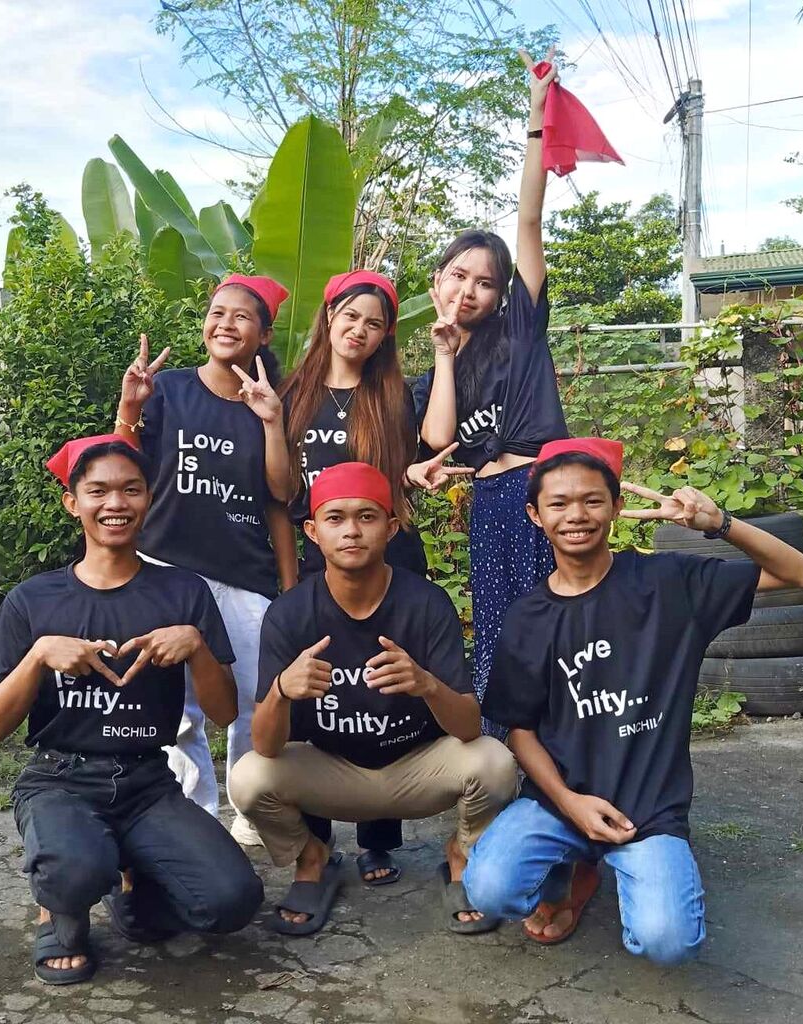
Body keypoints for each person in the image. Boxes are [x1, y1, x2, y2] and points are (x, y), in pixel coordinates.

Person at [463, 438, 803, 963]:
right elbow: (521, 730)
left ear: (615, 507)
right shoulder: (527, 617)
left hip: (647, 812)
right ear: (535, 515)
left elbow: (801, 573)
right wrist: (569, 802)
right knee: (489, 890)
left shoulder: (667, 583)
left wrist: (720, 524)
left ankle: (610, 867)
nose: (576, 515)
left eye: (592, 500)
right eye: (559, 503)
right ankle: (564, 872)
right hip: (558, 803)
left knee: (667, 941)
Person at [0, 435, 263, 986]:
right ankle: (58, 909)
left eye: (131, 490)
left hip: (147, 783)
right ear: (72, 502)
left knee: (231, 901)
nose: (115, 503)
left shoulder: (183, 592)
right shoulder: (33, 599)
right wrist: (38, 656)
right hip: (60, 778)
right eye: (98, 491)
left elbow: (225, 712)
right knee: (74, 872)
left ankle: (129, 879)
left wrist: (197, 646)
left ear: (149, 498)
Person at [228, 462, 518, 936]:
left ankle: (462, 855)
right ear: (313, 532)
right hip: (332, 771)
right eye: (335, 518)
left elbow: (469, 727)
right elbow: (265, 745)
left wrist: (427, 684)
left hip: (416, 768)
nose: (351, 531)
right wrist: (281, 690)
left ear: (391, 526)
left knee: (495, 762)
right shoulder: (290, 614)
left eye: (366, 516)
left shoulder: (426, 603)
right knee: (249, 777)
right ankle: (311, 859)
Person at [277, 269, 472, 885]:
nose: (359, 330)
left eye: (375, 323)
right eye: (350, 316)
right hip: (320, 560)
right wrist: (289, 575)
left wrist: (443, 355)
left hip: (392, 556)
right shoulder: (291, 395)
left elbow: (433, 443)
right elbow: (279, 493)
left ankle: (379, 840)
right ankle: (315, 837)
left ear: (387, 335)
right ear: (329, 316)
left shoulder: (392, 395)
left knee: (385, 686)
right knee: (316, 691)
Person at [413, 49, 570, 731]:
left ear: (502, 291)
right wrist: (444, 355)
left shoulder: (522, 328)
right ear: (437, 281)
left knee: (561, 622)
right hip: (490, 503)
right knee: (501, 633)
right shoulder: (436, 371)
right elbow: (439, 440)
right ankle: (506, 757)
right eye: (457, 275)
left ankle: (573, 751)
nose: (469, 290)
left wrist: (536, 115)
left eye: (484, 281)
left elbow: (528, 221)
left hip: (543, 486)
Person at [113, 274, 292, 844]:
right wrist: (129, 405)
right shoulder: (168, 390)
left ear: (263, 334)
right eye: (218, 312)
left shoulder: (271, 401)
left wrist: (272, 422)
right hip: (164, 568)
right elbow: (121, 465)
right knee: (175, 704)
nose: (225, 324)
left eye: (242, 316)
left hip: (244, 575)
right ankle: (192, 816)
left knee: (253, 697)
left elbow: (282, 497)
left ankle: (252, 809)